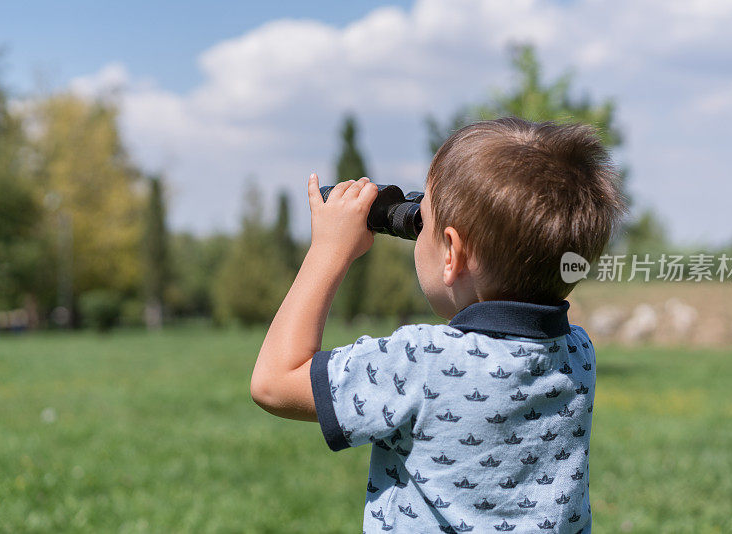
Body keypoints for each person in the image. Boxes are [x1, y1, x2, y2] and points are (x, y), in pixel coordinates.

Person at [250, 117, 625, 533]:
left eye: (421, 220)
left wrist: (328, 250)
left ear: (453, 254)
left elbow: (274, 382)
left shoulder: (422, 361)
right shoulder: (577, 354)